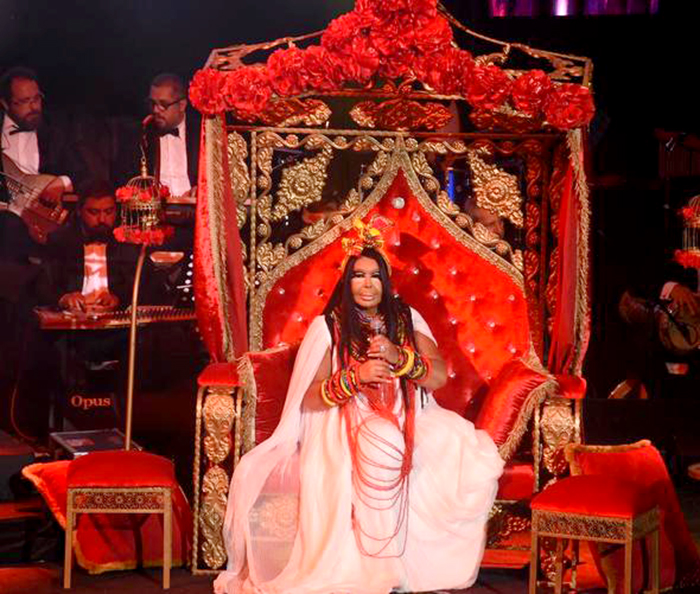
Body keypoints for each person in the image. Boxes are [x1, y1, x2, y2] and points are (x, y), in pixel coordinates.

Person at [214, 217, 504, 594]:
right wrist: (356, 376)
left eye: (375, 276)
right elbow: (310, 397)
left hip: (412, 413)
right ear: (347, 281)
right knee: (384, 442)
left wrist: (401, 358)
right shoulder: (328, 326)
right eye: (358, 276)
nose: (367, 285)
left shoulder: (406, 318)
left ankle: (422, 565)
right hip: (344, 418)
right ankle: (381, 566)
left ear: (386, 281)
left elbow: (437, 377)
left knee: (466, 452)